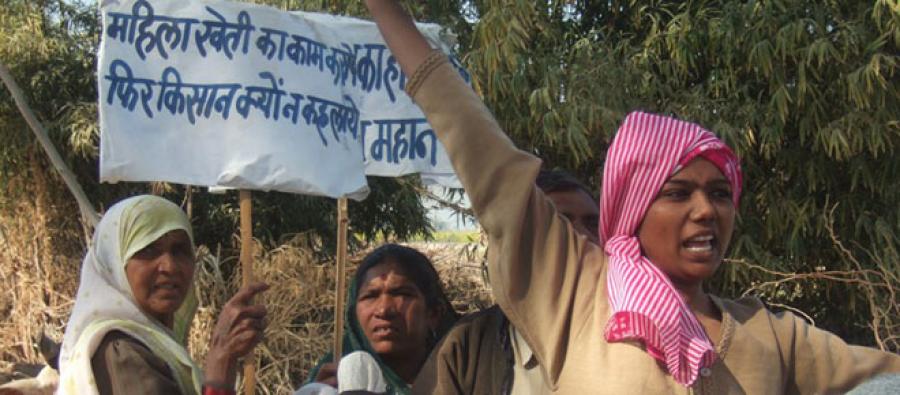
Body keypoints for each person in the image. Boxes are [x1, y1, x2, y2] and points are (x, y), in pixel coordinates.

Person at [362, 1, 900, 393]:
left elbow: (883, 376)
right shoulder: (576, 289)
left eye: (720, 193)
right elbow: (484, 152)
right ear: (634, 206)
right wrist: (388, 13)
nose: (706, 210)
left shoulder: (771, 336)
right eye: (678, 192)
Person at [57, 195, 268, 395]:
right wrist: (220, 364)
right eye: (148, 250)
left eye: (179, 250)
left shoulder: (152, 344)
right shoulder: (121, 352)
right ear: (115, 265)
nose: (169, 266)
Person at [414, 170, 599, 394]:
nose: (583, 236)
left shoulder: (633, 335)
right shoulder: (468, 346)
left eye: (592, 224)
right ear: (519, 239)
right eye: (560, 223)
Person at [301, 244, 458, 394]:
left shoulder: (460, 376)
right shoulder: (331, 381)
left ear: (433, 313)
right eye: (370, 296)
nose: (383, 310)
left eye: (401, 294)